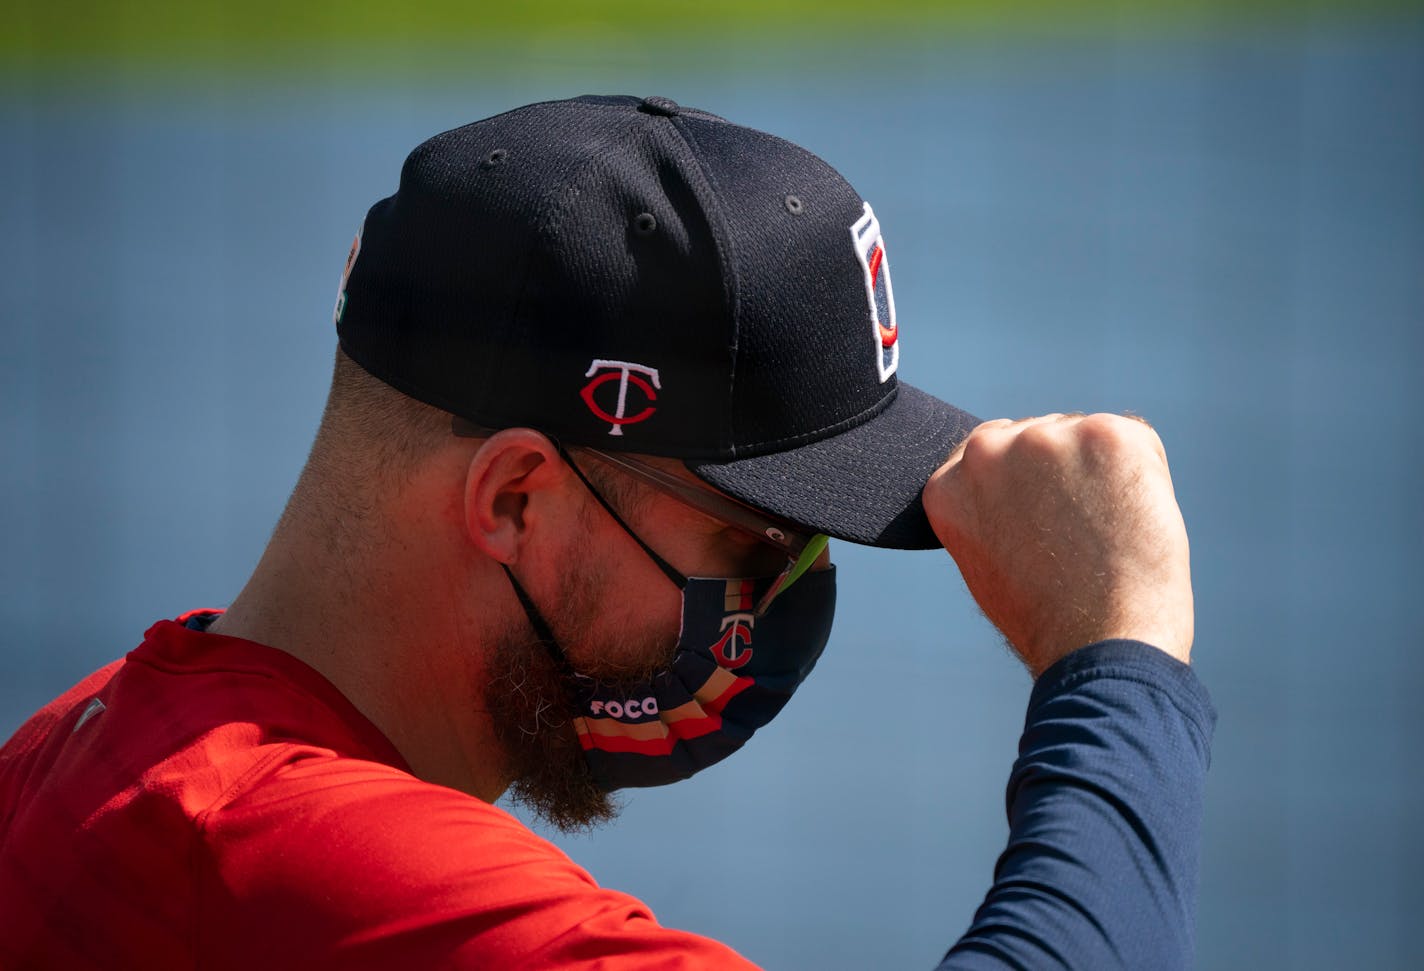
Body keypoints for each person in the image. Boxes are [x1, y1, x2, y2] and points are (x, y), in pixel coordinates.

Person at [0, 95, 1214, 969]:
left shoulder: (83, 748)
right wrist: (1117, 661)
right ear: (517, 497)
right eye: (753, 541)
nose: (787, 599)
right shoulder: (323, 870)